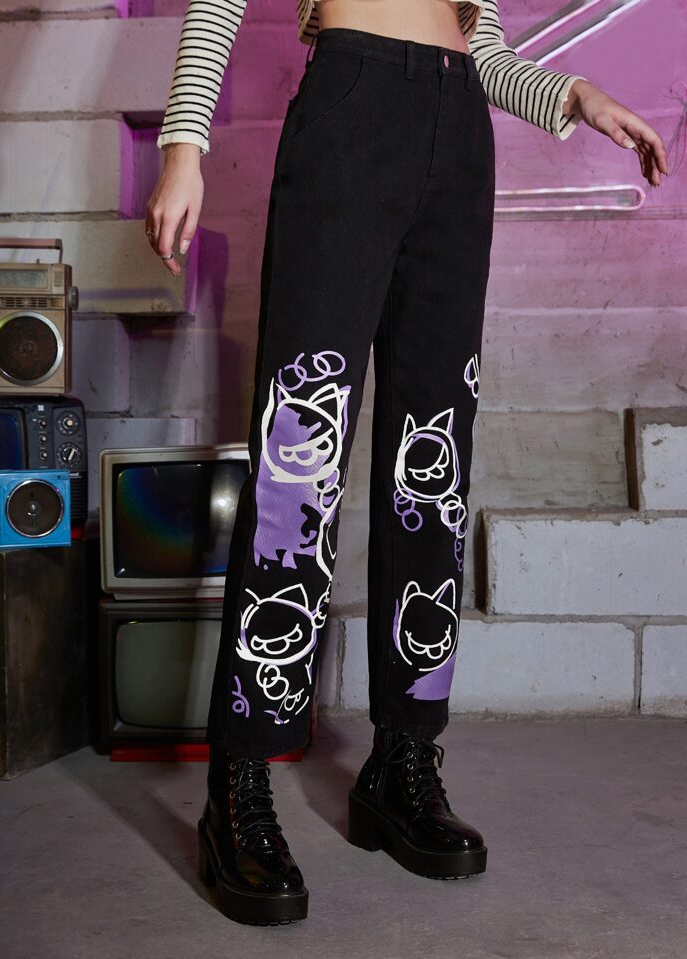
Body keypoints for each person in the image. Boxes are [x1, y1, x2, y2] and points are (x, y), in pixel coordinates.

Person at [145, 0, 668, 927]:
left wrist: (574, 94)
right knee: (300, 461)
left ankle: (402, 760)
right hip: (351, 109)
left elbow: (483, 48)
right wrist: (183, 147)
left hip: (458, 128)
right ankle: (239, 783)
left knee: (434, 463)